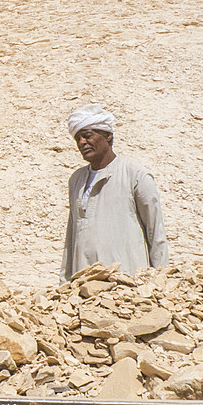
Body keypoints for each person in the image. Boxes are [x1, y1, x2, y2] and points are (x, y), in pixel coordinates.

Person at [62, 104, 169, 281]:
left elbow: (155, 231)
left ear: (108, 135)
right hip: (84, 286)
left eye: (87, 136)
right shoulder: (76, 180)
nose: (82, 143)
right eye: (78, 139)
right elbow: (71, 236)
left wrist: (160, 281)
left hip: (126, 285)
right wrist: (65, 284)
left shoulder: (134, 174)